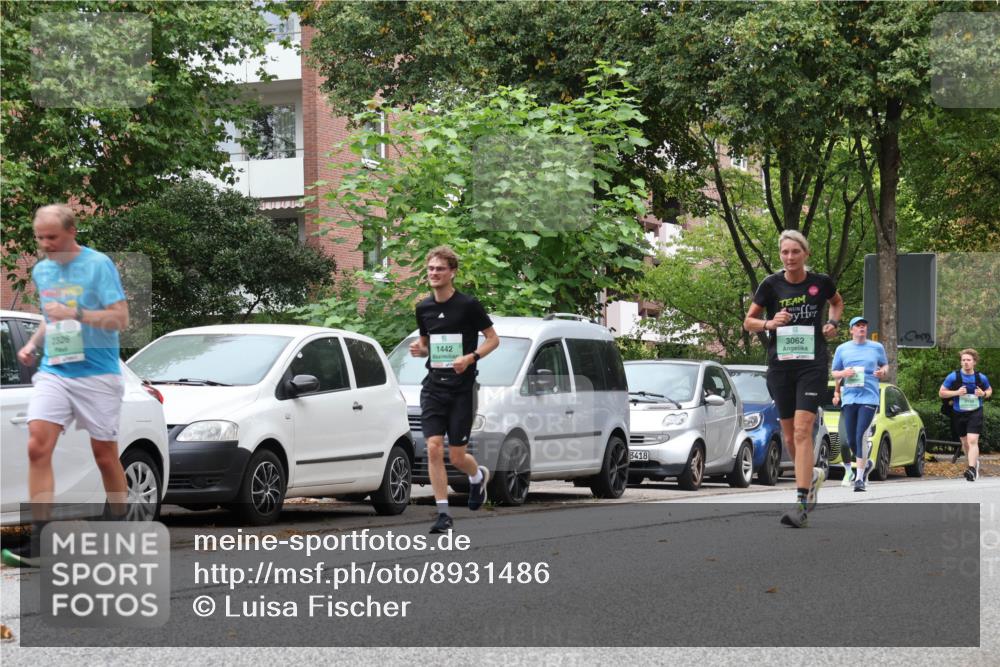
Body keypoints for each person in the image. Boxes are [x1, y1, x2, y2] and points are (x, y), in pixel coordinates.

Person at [1, 204, 131, 568]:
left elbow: (121, 318)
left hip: (97, 374)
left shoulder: (98, 265)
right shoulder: (43, 271)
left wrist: (77, 314)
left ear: (72, 232)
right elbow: (50, 318)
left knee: (105, 455)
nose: (45, 245)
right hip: (56, 371)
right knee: (36, 447)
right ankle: (42, 539)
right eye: (39, 237)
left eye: (52, 237)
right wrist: (32, 344)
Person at [743, 230, 844, 528]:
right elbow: (748, 321)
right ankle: (811, 475)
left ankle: (800, 503)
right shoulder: (770, 285)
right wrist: (769, 323)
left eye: (795, 252)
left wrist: (832, 323)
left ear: (805, 254)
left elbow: (837, 302)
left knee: (802, 431)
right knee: (790, 437)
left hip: (811, 365)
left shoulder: (820, 283)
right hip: (780, 367)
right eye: (785, 253)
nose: (789, 258)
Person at [410, 246, 499, 533]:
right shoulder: (423, 308)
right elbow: (426, 345)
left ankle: (477, 477)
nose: (434, 273)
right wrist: (419, 349)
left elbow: (492, 340)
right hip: (434, 387)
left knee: (457, 456)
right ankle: (443, 514)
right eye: (431, 269)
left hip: (462, 390)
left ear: (452, 272)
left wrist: (470, 358)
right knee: (434, 447)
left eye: (440, 269)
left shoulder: (468, 305)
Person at [831, 317, 889, 492]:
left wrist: (882, 372)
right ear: (851, 330)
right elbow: (834, 372)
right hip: (849, 398)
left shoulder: (876, 347)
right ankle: (867, 463)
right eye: (858, 326)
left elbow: (885, 366)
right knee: (850, 440)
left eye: (864, 325)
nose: (862, 328)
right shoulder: (842, 349)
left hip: (869, 398)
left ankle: (859, 478)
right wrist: (844, 372)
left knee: (861, 435)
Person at [939, 349, 992, 481]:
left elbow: (989, 390)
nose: (965, 362)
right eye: (963, 360)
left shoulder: (981, 377)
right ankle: (973, 463)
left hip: (975, 412)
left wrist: (983, 394)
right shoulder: (953, 376)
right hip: (958, 413)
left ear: (974, 362)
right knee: (965, 442)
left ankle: (972, 469)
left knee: (972, 440)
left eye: (968, 360)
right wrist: (956, 392)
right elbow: (941, 393)